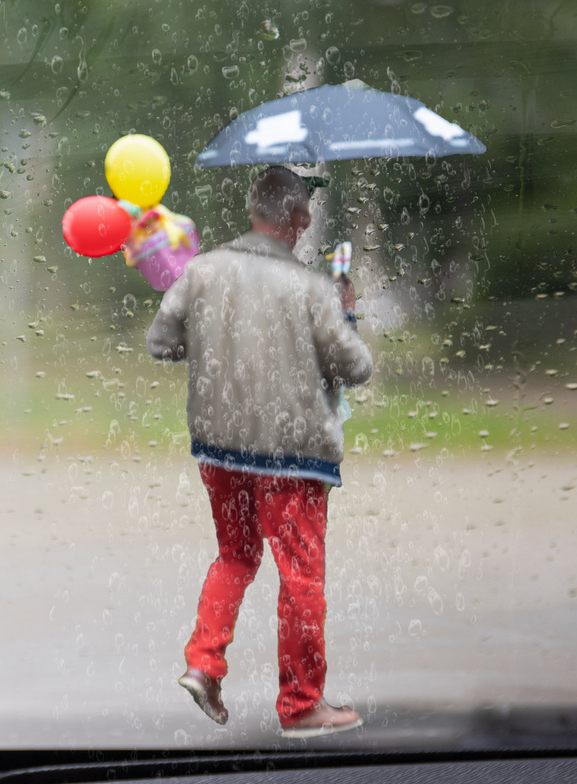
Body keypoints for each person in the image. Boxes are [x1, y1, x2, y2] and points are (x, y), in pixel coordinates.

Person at [147, 165, 372, 736]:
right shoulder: (312, 287)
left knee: (236, 555)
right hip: (293, 459)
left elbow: (161, 342)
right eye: (305, 216)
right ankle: (301, 706)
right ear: (297, 220)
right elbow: (356, 366)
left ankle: (203, 662)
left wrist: (218, 343)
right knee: (300, 575)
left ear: (254, 212)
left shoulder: (202, 271)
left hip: (220, 451)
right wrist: (344, 310)